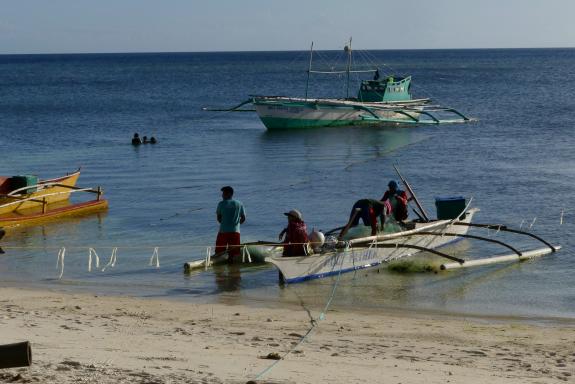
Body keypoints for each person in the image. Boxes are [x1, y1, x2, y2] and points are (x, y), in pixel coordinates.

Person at [215, 186, 246, 262]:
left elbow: (219, 218)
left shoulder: (221, 204)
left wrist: (224, 224)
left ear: (229, 194)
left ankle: (220, 270)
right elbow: (243, 218)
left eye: (224, 193)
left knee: (219, 252)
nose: (222, 195)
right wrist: (237, 225)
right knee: (234, 254)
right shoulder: (239, 204)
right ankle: (233, 269)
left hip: (223, 231)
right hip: (235, 232)